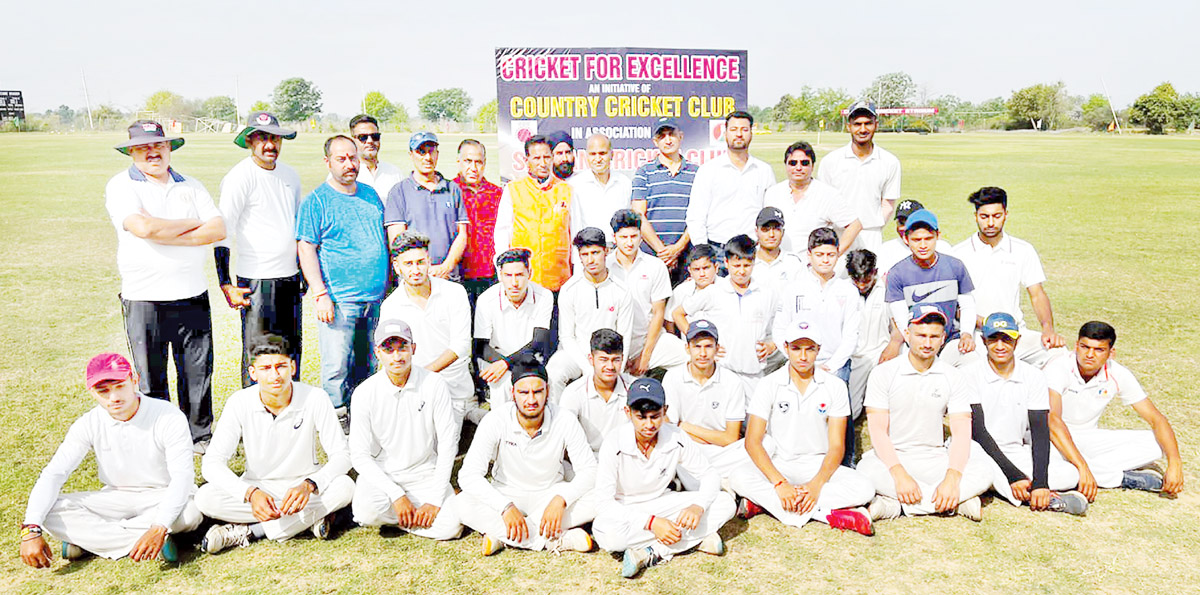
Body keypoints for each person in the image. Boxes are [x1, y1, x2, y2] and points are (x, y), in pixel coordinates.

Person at [105, 120, 225, 449]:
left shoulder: (192, 185)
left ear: (169, 148)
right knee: (151, 375)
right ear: (131, 151)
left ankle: (199, 436)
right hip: (145, 298)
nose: (152, 151)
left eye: (158, 145)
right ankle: (159, 439)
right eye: (143, 147)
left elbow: (217, 230)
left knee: (197, 373)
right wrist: (191, 225)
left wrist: (164, 232)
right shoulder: (121, 186)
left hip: (192, 295)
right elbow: (142, 228)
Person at [20, 353, 200, 566]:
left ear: (135, 380)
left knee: (191, 513)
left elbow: (182, 478)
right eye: (103, 391)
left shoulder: (168, 416)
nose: (114, 397)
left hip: (162, 494)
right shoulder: (87, 423)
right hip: (116, 496)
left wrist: (160, 525)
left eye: (120, 386)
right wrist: (30, 530)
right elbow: (55, 473)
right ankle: (145, 541)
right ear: (92, 392)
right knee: (48, 511)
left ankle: (88, 540)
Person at [197, 336, 355, 554]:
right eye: (266, 368)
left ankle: (251, 531)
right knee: (205, 497)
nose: (274, 375)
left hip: (303, 489)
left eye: (281, 366)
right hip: (259, 489)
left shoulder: (315, 397)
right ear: (253, 373)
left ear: (292, 367)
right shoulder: (239, 402)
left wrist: (310, 484)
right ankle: (308, 521)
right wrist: (250, 494)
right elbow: (211, 464)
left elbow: (342, 455)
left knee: (345, 487)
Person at [731, 318, 875, 535]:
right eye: (797, 349)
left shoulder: (834, 385)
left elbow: (837, 446)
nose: (803, 356)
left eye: (810, 349)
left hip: (818, 464)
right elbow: (753, 442)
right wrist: (780, 484)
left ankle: (764, 504)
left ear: (819, 350)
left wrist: (816, 485)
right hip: (779, 463)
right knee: (738, 477)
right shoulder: (768, 384)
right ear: (786, 348)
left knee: (865, 488)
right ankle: (825, 514)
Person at [857, 304, 993, 522]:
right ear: (907, 334)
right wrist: (899, 474)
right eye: (921, 335)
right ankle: (954, 503)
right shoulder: (883, 373)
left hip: (935, 459)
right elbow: (878, 432)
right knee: (864, 471)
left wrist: (952, 478)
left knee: (985, 469)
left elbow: (961, 432)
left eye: (934, 336)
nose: (927, 343)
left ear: (943, 339)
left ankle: (895, 506)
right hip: (892, 458)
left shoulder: (953, 376)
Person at [453, 353, 598, 555]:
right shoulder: (495, 420)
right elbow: (468, 475)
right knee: (460, 504)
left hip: (550, 494)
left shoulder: (564, 419)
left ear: (547, 391)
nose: (531, 399)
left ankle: (504, 536)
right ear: (513, 393)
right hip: (506, 492)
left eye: (537, 391)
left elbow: (590, 471)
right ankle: (554, 540)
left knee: (600, 496)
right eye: (524, 392)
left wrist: (561, 499)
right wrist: (504, 507)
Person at [592, 377, 736, 579]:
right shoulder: (614, 442)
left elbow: (709, 474)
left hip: (662, 503)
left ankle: (653, 552)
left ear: (665, 411)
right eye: (641, 417)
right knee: (610, 538)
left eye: (655, 416)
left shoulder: (675, 436)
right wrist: (652, 523)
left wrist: (698, 507)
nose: (649, 425)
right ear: (628, 413)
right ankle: (694, 539)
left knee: (725, 502)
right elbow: (603, 503)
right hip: (627, 510)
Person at [297, 135, 389, 425]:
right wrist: (320, 293)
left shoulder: (369, 195)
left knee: (369, 361)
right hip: (340, 299)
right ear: (328, 162)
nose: (350, 164)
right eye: (342, 159)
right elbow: (306, 247)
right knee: (337, 364)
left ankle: (364, 413)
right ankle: (338, 417)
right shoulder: (316, 201)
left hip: (375, 297)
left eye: (353, 158)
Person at [348, 319, 463, 540]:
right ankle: (411, 514)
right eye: (388, 349)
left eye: (403, 348)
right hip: (386, 474)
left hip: (424, 472)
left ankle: (405, 518)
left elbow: (448, 444)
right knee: (365, 512)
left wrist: (434, 500)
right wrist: (397, 495)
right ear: (377, 353)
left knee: (451, 527)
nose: (397, 356)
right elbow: (360, 456)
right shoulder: (364, 392)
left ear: (414, 349)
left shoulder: (434, 383)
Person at [965, 314, 1087, 515]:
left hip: (1014, 449)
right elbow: (978, 431)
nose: (1000, 346)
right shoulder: (970, 374)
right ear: (983, 341)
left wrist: (1041, 482)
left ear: (1017, 341)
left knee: (1069, 474)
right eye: (993, 339)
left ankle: (1022, 490)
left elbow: (1040, 430)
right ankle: (1046, 500)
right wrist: (1013, 475)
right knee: (985, 470)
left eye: (1007, 339)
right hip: (976, 447)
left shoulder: (1033, 376)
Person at [1044, 321, 1184, 496]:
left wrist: (1175, 463)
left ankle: (1087, 470)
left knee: (1156, 444)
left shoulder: (1118, 373)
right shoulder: (1058, 368)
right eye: (1084, 347)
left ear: (1111, 353)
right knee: (1056, 468)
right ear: (1076, 346)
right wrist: (1082, 466)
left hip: (1088, 438)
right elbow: (1052, 421)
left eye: (1098, 350)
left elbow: (1157, 419)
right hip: (1052, 438)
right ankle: (1120, 478)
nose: (1089, 354)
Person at [215, 111, 303, 387]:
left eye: (275, 139)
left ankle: (290, 416)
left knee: (289, 353)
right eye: (263, 138)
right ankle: (256, 420)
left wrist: (301, 271)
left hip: (289, 279)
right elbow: (222, 232)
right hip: (256, 281)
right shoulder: (239, 177)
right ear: (251, 141)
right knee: (260, 356)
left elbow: (296, 226)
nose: (270, 145)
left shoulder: (290, 176)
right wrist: (225, 283)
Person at [773, 227, 862, 465]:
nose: (825, 260)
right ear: (809, 255)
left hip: (835, 364)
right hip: (799, 362)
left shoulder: (848, 290)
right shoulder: (795, 289)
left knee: (840, 414)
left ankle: (847, 463)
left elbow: (850, 335)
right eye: (820, 255)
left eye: (831, 255)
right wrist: (796, 359)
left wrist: (832, 366)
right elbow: (780, 329)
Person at [952, 187, 1066, 367]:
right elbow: (955, 305)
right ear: (975, 216)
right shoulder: (958, 253)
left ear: (1006, 214)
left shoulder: (1023, 250)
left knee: (1059, 354)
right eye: (984, 217)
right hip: (976, 335)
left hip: (1015, 333)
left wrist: (1048, 330)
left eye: (996, 216)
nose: (990, 223)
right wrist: (989, 324)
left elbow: (1036, 294)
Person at [379, 231, 478, 424]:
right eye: (408, 264)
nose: (415, 270)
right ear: (397, 267)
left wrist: (421, 376)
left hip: (454, 387)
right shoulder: (390, 306)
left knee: (442, 445)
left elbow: (461, 345)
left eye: (420, 262)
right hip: (413, 389)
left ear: (429, 261)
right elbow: (389, 354)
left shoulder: (454, 293)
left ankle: (468, 411)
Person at [674, 235, 781, 394]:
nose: (742, 271)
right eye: (736, 265)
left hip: (754, 375)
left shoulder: (767, 294)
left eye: (747, 265)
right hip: (721, 373)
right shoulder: (714, 291)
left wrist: (772, 345)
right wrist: (701, 342)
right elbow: (678, 313)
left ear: (754, 263)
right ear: (726, 263)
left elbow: (780, 326)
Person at [547, 228, 637, 400]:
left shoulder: (622, 290)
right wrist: (589, 369)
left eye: (595, 253)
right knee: (554, 373)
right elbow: (566, 337)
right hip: (576, 353)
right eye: (585, 254)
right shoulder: (569, 289)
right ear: (579, 257)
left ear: (606, 251)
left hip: (609, 355)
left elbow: (624, 335)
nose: (590, 260)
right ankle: (558, 423)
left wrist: (612, 364)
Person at [883, 209, 977, 367]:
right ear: (906, 239)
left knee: (973, 362)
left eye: (928, 239)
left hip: (950, 340)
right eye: (916, 239)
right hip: (915, 343)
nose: (923, 245)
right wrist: (917, 343)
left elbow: (967, 305)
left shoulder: (955, 266)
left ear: (938, 236)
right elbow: (901, 318)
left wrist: (966, 334)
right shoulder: (897, 273)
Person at [662, 320, 751, 488]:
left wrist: (685, 426)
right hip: (689, 448)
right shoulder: (673, 377)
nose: (703, 353)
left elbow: (731, 438)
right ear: (687, 348)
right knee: (676, 451)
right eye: (697, 346)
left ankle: (711, 480)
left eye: (708, 346)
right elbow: (670, 430)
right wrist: (690, 436)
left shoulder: (732, 381)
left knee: (767, 444)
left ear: (717, 349)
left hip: (723, 450)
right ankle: (724, 482)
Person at [685, 111, 775, 269]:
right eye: (734, 129)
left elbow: (769, 215)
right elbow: (696, 216)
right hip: (717, 250)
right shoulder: (709, 170)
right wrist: (704, 254)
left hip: (752, 252)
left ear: (751, 133)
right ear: (725, 133)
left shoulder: (764, 170)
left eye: (744, 130)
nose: (739, 134)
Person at [493, 135, 582, 293]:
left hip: (559, 281)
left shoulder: (566, 190)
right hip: (523, 281)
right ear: (527, 161)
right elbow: (502, 231)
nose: (542, 163)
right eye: (537, 158)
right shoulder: (513, 189)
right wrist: (503, 269)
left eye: (547, 157)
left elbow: (576, 233)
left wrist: (578, 275)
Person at [608, 209, 688, 375]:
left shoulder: (655, 266)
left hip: (651, 340)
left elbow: (659, 313)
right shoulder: (605, 266)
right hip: (615, 345)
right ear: (614, 237)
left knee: (690, 357)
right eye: (623, 237)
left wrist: (645, 355)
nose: (629, 243)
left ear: (641, 236)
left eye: (634, 236)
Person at [815, 101, 901, 252]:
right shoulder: (831, 161)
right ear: (849, 126)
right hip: (838, 234)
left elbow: (888, 203)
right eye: (857, 124)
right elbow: (823, 201)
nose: (863, 129)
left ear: (876, 125)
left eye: (868, 123)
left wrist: (874, 224)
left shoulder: (890, 162)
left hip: (871, 235)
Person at [474, 248, 554, 408]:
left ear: (529, 274)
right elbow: (480, 346)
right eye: (508, 276)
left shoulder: (544, 296)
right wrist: (503, 364)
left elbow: (538, 341)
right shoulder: (486, 300)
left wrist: (507, 364)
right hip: (495, 357)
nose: (514, 283)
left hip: (530, 358)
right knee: (502, 385)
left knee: (545, 385)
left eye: (519, 275)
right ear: (500, 276)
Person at [384, 132, 469, 280]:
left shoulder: (452, 189)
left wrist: (446, 267)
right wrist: (422, 270)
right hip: (415, 279)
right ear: (411, 154)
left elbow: (462, 234)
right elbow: (398, 241)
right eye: (421, 152)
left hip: (449, 278)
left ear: (437, 153)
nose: (427, 158)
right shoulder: (399, 192)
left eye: (431, 151)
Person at [631, 118, 698, 285]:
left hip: (686, 257)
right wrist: (662, 251)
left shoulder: (697, 173)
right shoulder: (644, 172)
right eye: (662, 136)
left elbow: (700, 216)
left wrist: (676, 249)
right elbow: (639, 215)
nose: (668, 140)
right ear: (655, 141)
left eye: (672, 134)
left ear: (680, 136)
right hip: (652, 256)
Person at [763, 141, 861, 254]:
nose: (798, 167)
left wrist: (834, 254)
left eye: (804, 163)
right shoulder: (773, 193)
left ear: (812, 166)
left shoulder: (827, 194)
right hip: (780, 264)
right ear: (786, 165)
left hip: (811, 268)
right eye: (793, 163)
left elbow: (855, 225)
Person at [846, 249, 903, 419]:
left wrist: (894, 344)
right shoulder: (843, 289)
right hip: (854, 356)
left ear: (875, 272)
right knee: (851, 412)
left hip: (882, 352)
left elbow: (899, 324)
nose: (862, 285)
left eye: (866, 280)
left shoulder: (888, 288)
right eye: (857, 280)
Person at [559, 329, 636, 453]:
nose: (610, 367)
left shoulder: (635, 388)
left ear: (622, 359)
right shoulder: (573, 392)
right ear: (591, 359)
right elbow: (564, 438)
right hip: (587, 459)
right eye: (603, 360)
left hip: (625, 458)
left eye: (616, 360)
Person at [453, 139, 504, 306]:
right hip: (459, 276)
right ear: (458, 161)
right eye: (468, 161)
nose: (473, 168)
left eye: (478, 162)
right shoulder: (449, 191)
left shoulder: (497, 193)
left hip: (490, 275)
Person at [570, 133, 632, 245]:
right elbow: (574, 226)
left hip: (619, 252)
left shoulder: (625, 183)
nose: (598, 159)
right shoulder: (576, 185)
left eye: (602, 153)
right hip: (589, 252)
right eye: (593, 154)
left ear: (611, 154)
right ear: (586, 156)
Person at [875, 199, 953, 278]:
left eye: (911, 222)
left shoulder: (942, 247)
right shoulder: (886, 249)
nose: (905, 227)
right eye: (901, 222)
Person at [664, 244, 719, 335]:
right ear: (690, 271)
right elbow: (669, 320)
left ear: (716, 267)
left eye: (706, 268)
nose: (702, 274)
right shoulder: (682, 290)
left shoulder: (726, 288)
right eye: (696, 269)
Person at [749, 206, 805, 292]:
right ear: (756, 232)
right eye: (765, 229)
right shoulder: (747, 261)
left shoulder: (793, 263)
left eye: (776, 229)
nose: (771, 234)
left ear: (783, 232)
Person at [349, 114, 403, 200]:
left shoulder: (394, 173)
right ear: (353, 140)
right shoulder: (345, 175)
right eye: (363, 137)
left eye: (375, 137)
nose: (370, 141)